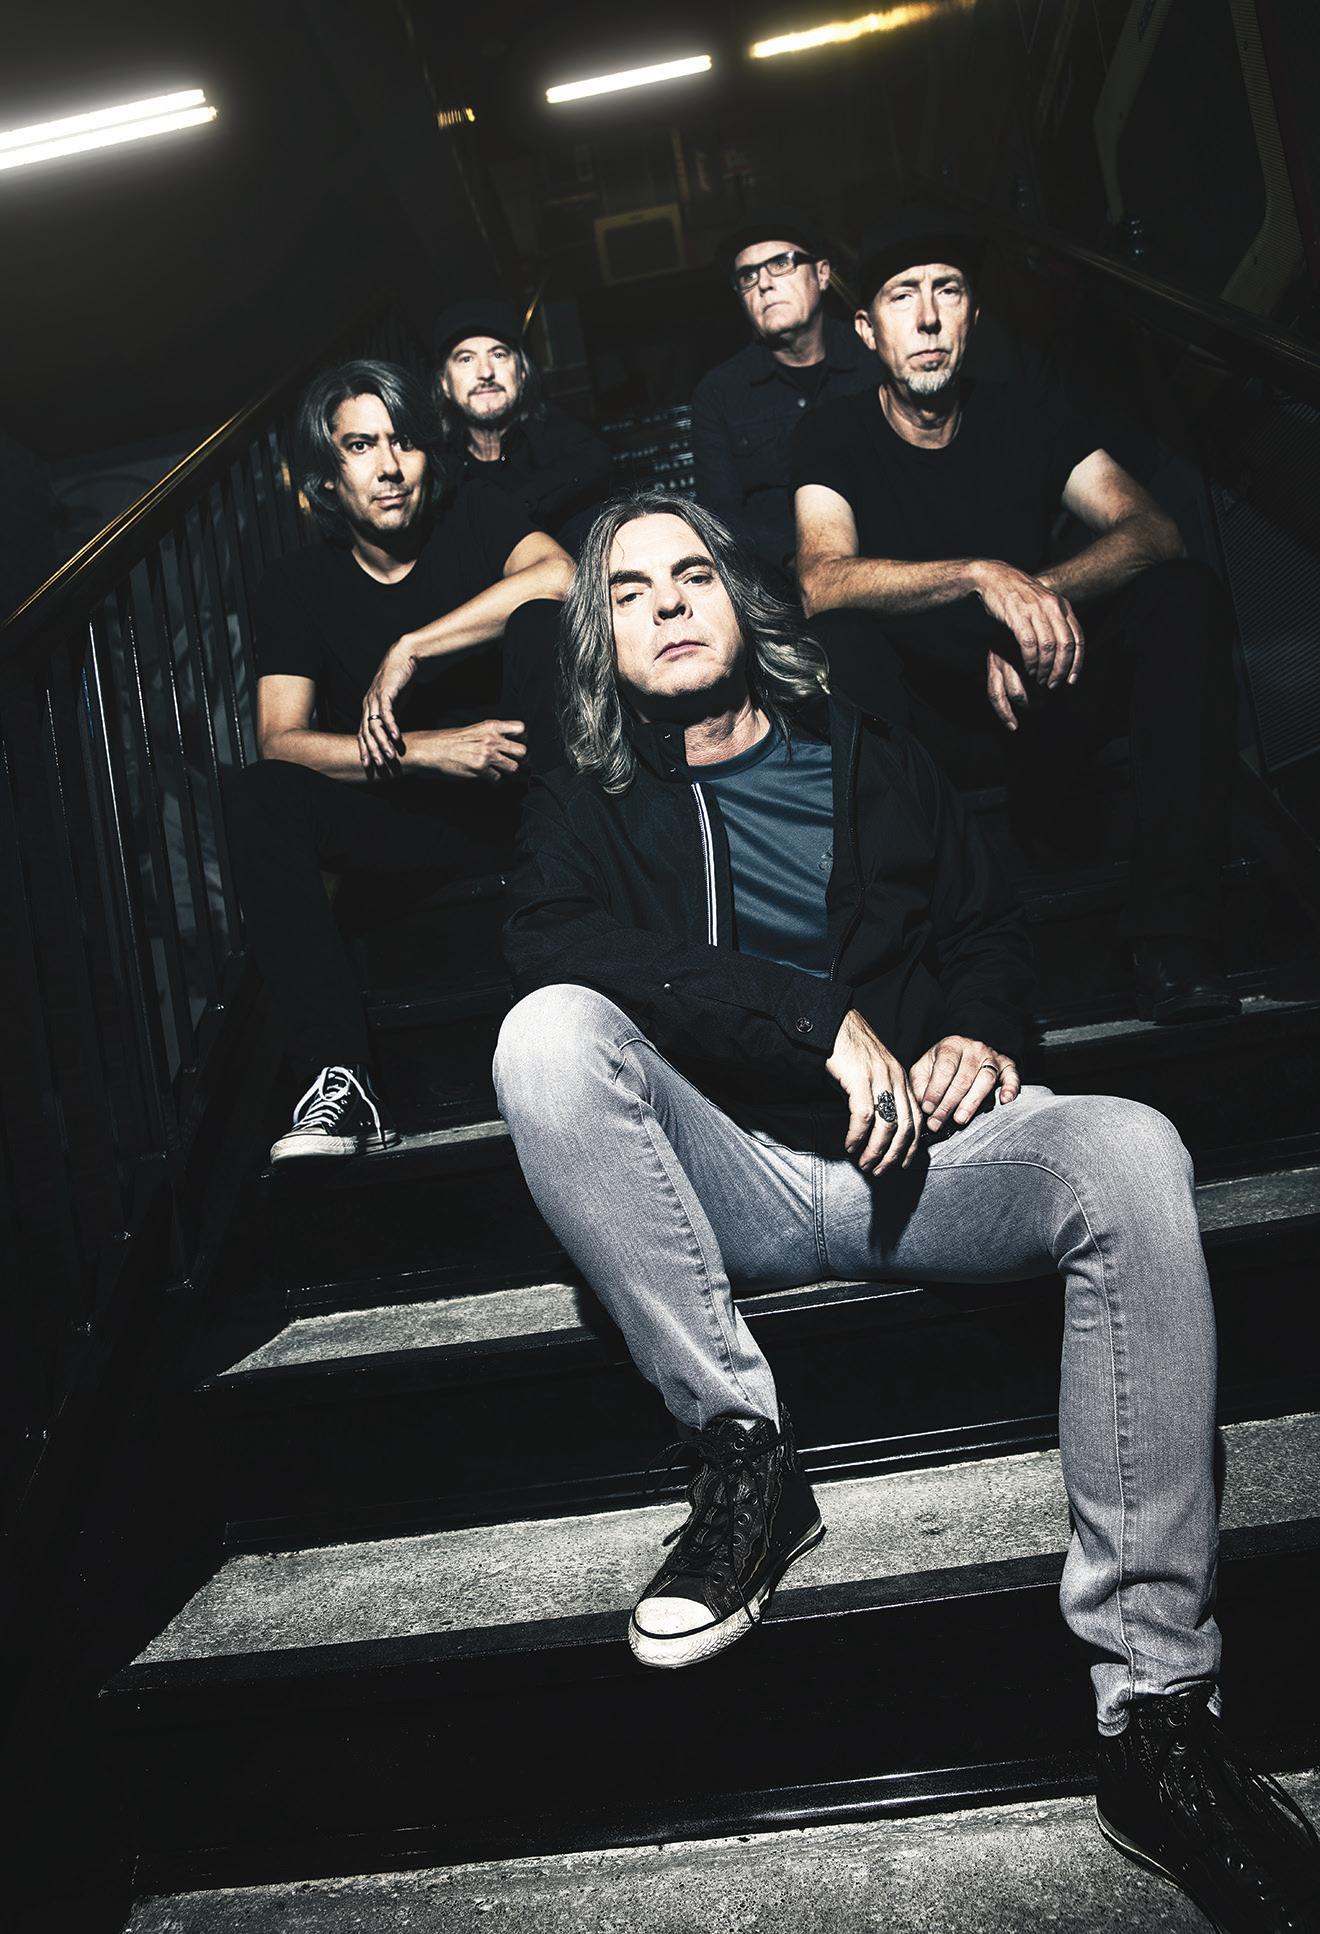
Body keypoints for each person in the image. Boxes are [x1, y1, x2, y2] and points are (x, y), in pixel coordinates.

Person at [493, 492, 1319, 1933]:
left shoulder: (870, 755)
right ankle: (744, 1448)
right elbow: (550, 944)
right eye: (628, 590)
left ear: (744, 599)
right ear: (600, 642)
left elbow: (988, 933)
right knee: (543, 1034)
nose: (669, 602)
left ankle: (1157, 1717)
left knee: (1132, 1147)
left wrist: (980, 1032)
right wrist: (812, 1015)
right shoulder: (585, 798)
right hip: (731, 1176)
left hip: (921, 1166)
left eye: (693, 573)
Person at [793, 201, 1241, 1025]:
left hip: (1043, 697)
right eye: (902, 296)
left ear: (973, 315)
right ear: (866, 330)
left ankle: (1173, 936)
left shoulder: (1027, 414)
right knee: (838, 643)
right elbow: (822, 579)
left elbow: (1152, 530)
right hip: (922, 727)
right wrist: (980, 577)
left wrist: (1036, 596)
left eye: (949, 290)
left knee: (1183, 596)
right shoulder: (833, 436)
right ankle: (909, 968)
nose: (928, 317)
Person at [224, 357, 573, 1165]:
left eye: (403, 442)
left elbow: (561, 573)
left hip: (523, 804)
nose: (388, 467)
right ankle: (339, 1076)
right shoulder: (295, 586)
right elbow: (281, 739)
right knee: (258, 793)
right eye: (359, 446)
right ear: (325, 476)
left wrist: (412, 647)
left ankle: (593, 938)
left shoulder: (473, 513)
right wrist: (425, 751)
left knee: (542, 622)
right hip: (406, 827)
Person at [690, 210, 880, 583]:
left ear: (822, 274)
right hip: (783, 591)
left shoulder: (874, 360)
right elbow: (720, 517)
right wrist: (800, 566)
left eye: (781, 263)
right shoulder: (719, 394)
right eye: (748, 275)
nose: (763, 283)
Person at [434, 298, 611, 548]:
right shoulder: (436, 468)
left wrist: (511, 507)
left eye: (498, 354)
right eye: (466, 359)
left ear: (522, 373)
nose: (485, 372)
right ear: (445, 384)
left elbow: (597, 461)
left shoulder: (565, 442)